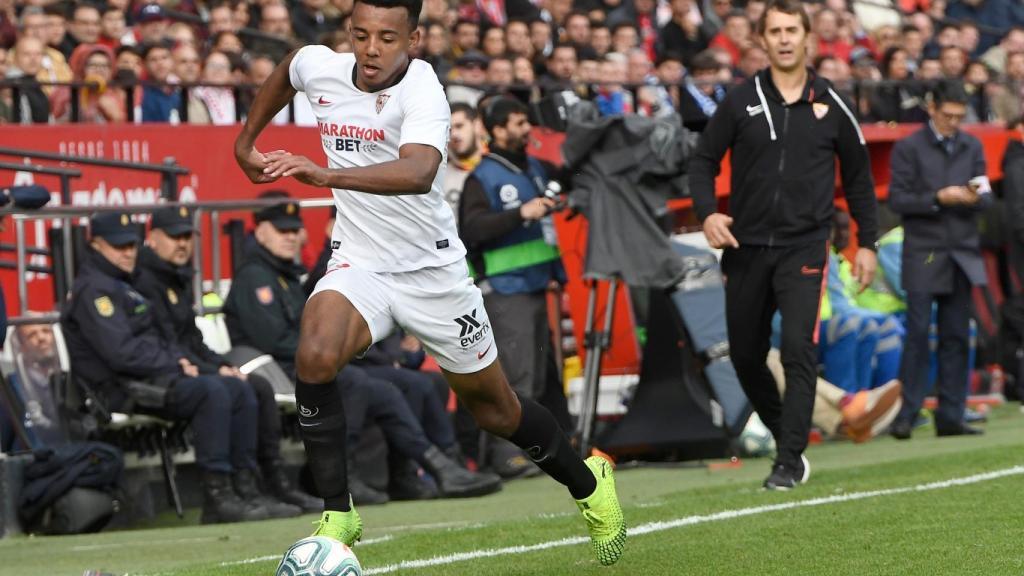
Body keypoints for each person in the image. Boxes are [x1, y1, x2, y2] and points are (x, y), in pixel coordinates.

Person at [232, 0, 626, 564]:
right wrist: (245, 143)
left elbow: (418, 173)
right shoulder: (320, 66)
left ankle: (589, 485)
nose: (372, 48)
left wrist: (326, 174)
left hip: (433, 273)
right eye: (362, 34)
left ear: (413, 39)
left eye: (387, 38)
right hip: (361, 260)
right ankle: (338, 513)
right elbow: (289, 69)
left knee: (496, 412)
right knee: (315, 356)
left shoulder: (423, 89)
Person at [688, 0, 879, 490]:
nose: (785, 38)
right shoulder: (739, 99)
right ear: (762, 40)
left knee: (797, 348)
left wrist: (867, 244)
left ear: (808, 36)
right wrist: (708, 212)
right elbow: (703, 159)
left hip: (805, 247)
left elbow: (859, 180)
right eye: (775, 31)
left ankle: (789, 459)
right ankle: (783, 435)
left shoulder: (833, 102)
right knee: (748, 356)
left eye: (792, 29)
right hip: (745, 247)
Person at [223, 195, 501, 504]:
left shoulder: (283, 273)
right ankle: (344, 474)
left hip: (311, 364)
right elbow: (274, 340)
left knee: (421, 382)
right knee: (368, 385)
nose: (290, 237)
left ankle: (424, 468)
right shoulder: (255, 277)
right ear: (259, 229)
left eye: (294, 230)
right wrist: (337, 351)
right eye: (281, 230)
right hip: (279, 371)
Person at [60, 212, 270, 524]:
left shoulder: (122, 284)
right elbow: (121, 354)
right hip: (120, 391)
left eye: (132, 244)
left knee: (236, 386)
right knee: (212, 391)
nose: (128, 252)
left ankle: (245, 487)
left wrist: (189, 363)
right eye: (119, 246)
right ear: (96, 245)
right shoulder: (96, 290)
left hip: (150, 380)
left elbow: (161, 340)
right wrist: (177, 363)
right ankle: (217, 496)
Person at [134, 205, 317, 514]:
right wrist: (212, 370)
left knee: (255, 385)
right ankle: (219, 495)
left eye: (186, 237)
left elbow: (192, 340)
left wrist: (220, 365)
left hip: (184, 368)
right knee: (222, 389)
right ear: (152, 238)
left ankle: (261, 483)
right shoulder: (145, 282)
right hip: (159, 377)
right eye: (174, 237)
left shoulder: (172, 279)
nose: (182, 244)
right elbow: (164, 344)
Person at [458, 96, 575, 477]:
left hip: (538, 283)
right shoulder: (483, 177)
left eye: (526, 121)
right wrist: (519, 213)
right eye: (517, 123)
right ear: (495, 130)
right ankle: (506, 455)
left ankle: (541, 448)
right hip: (507, 288)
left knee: (539, 375)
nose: (526, 129)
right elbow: (472, 230)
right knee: (515, 375)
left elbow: (567, 176)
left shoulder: (535, 167)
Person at [887, 79, 992, 439]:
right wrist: (938, 197)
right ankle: (908, 413)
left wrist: (974, 195)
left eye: (958, 117)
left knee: (957, 336)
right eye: (947, 115)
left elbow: (988, 195)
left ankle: (951, 414)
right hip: (925, 251)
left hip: (961, 250)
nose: (952, 122)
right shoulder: (908, 147)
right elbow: (897, 199)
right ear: (931, 108)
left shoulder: (971, 144)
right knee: (916, 334)